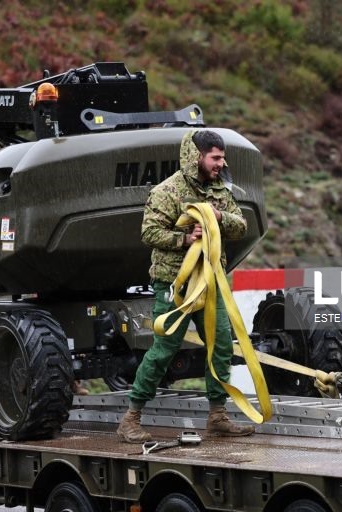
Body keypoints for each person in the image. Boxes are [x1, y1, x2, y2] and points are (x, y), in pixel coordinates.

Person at [116, 130, 254, 443]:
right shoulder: (168, 191)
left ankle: (217, 415)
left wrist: (217, 215)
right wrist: (184, 239)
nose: (221, 163)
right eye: (215, 157)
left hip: (210, 282)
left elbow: (241, 225)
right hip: (175, 284)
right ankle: (131, 418)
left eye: (222, 157)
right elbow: (149, 233)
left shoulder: (219, 190)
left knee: (220, 345)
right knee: (164, 349)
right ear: (197, 157)